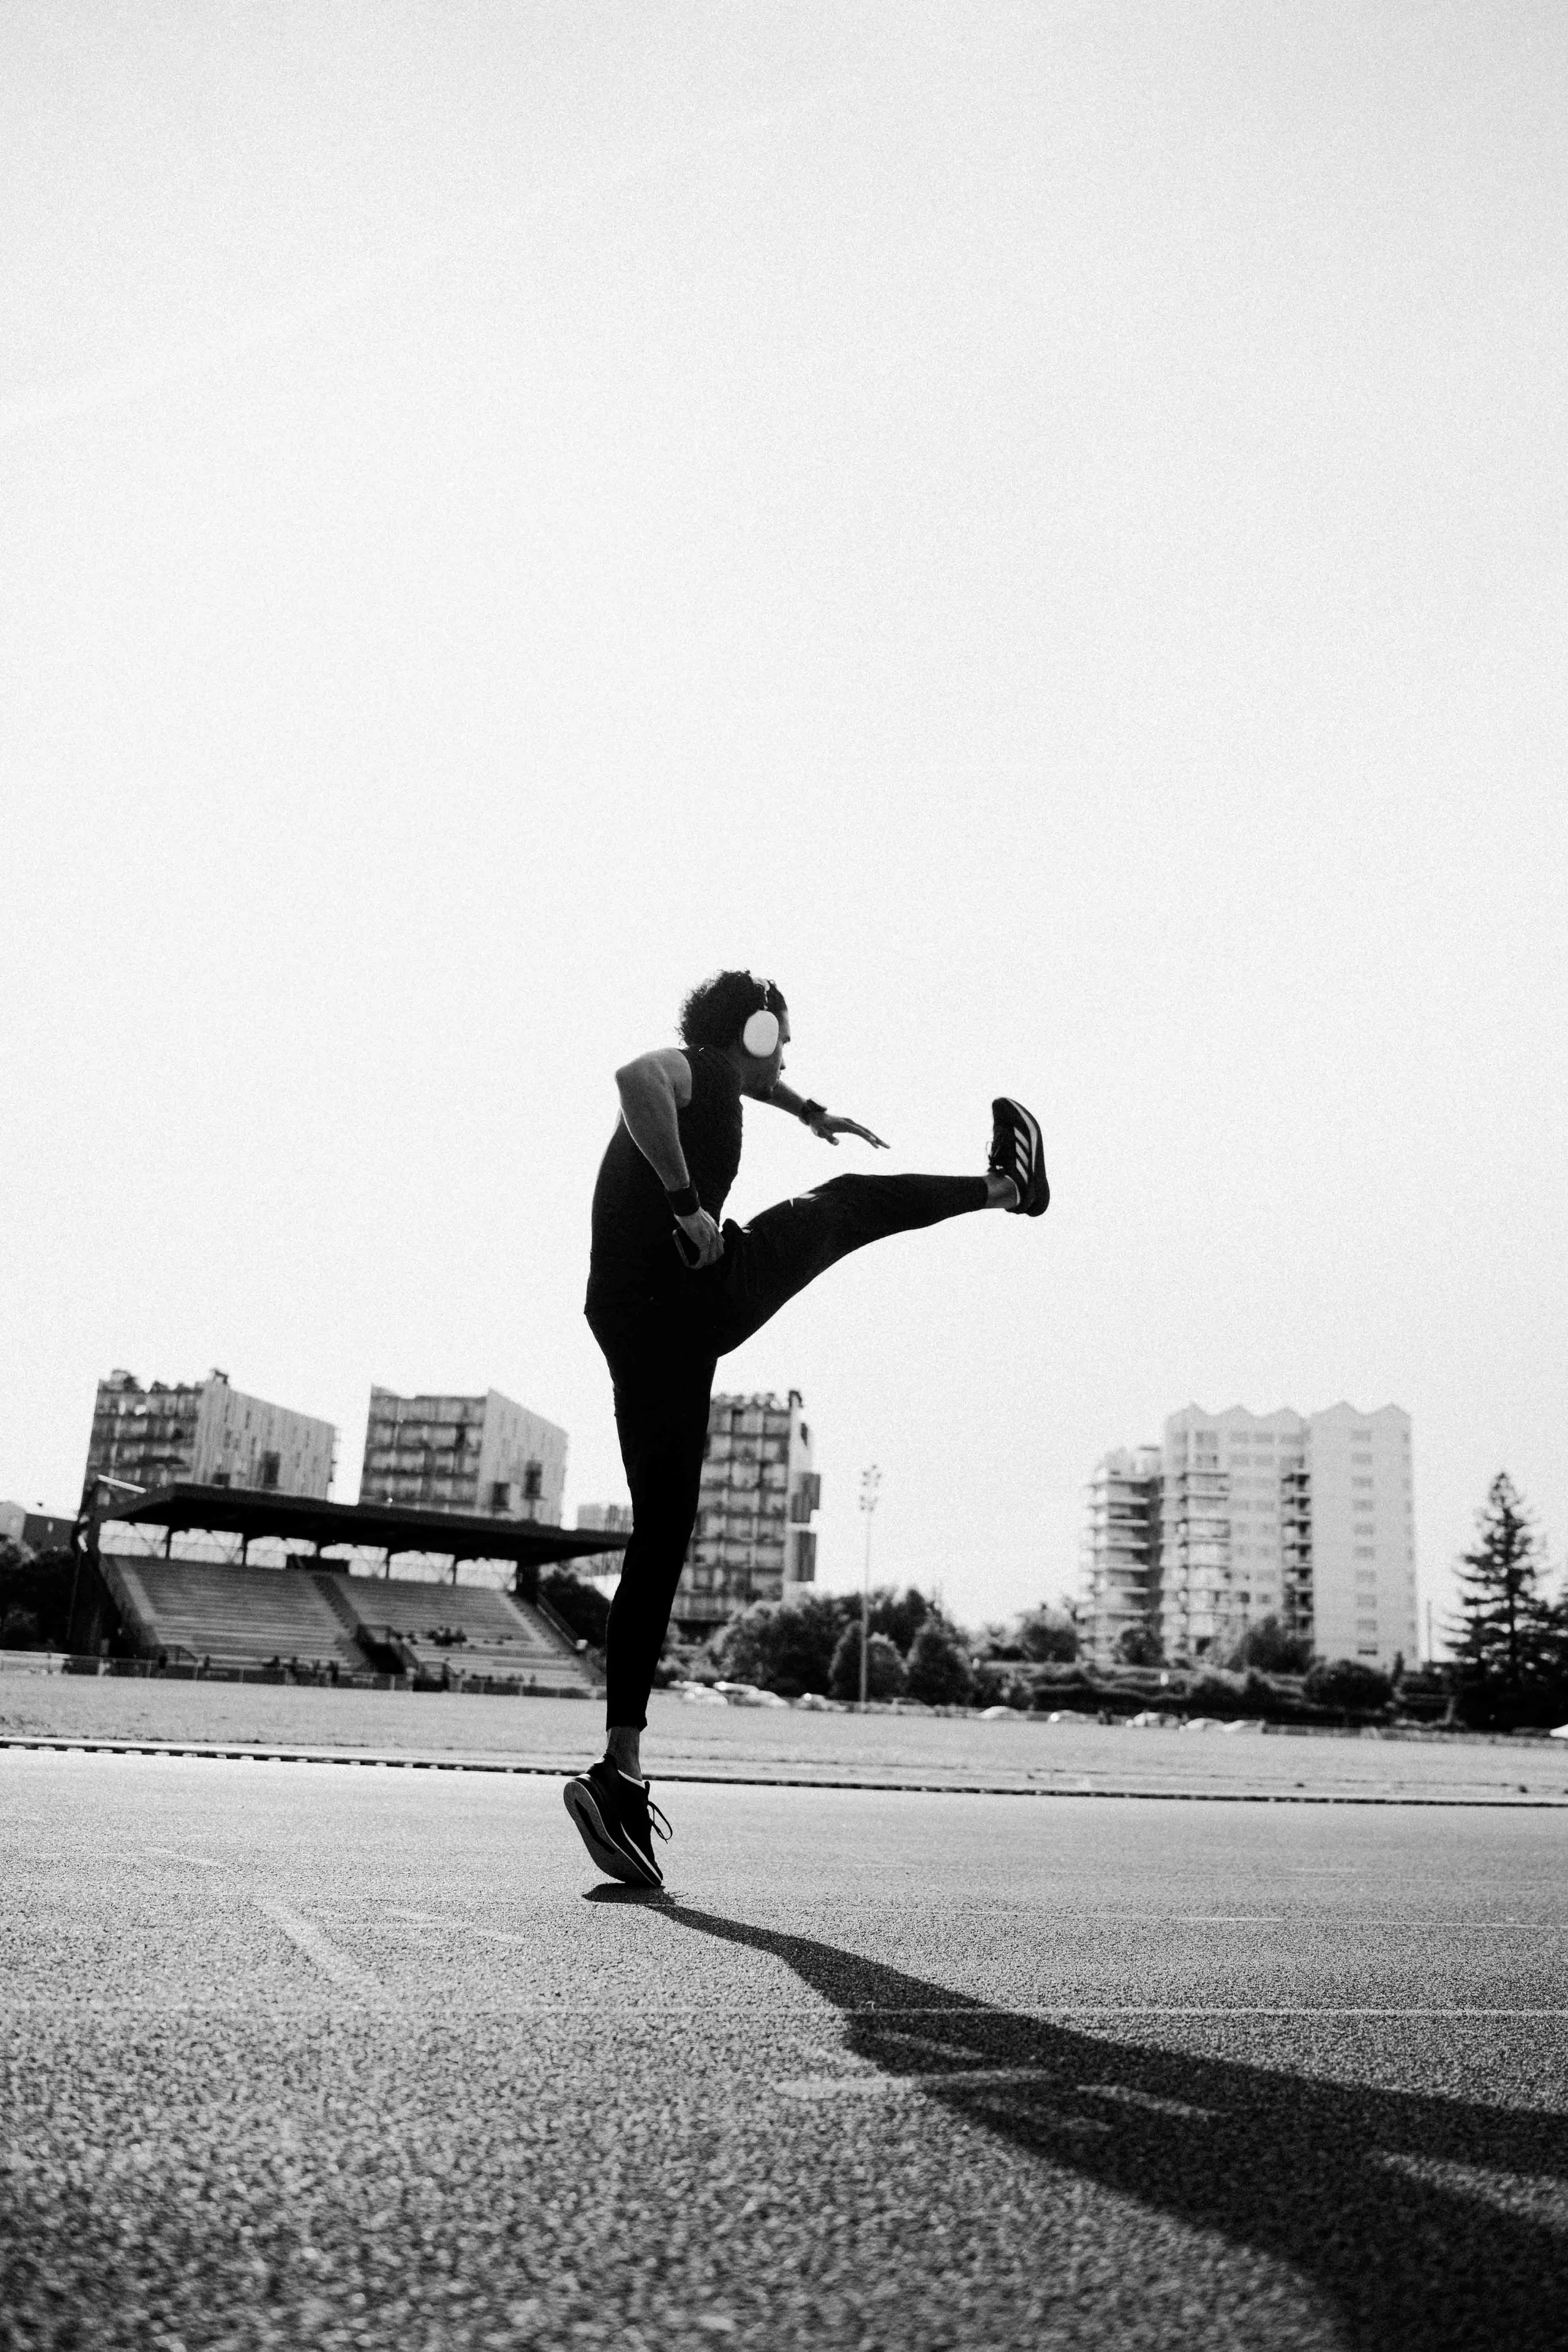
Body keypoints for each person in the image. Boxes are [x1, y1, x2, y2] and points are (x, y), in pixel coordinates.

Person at [563, 969, 1047, 1887]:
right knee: (848, 1203)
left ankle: (619, 1776)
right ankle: (1009, 1188)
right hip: (686, 1286)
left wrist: (808, 1107)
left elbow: (749, 1083)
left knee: (660, 1537)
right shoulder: (698, 1065)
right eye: (781, 1036)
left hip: (636, 1319)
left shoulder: (724, 1075)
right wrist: (686, 1204)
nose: (787, 1052)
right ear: (748, 1032)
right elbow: (634, 1077)